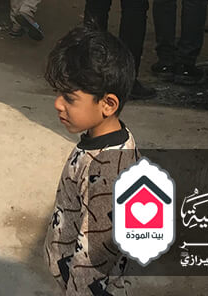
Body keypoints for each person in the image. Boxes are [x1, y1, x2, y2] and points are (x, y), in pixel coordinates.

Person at [43, 25, 137, 295]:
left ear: (107, 104)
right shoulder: (110, 140)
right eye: (58, 93)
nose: (58, 104)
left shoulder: (107, 172)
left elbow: (94, 258)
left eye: (69, 98)